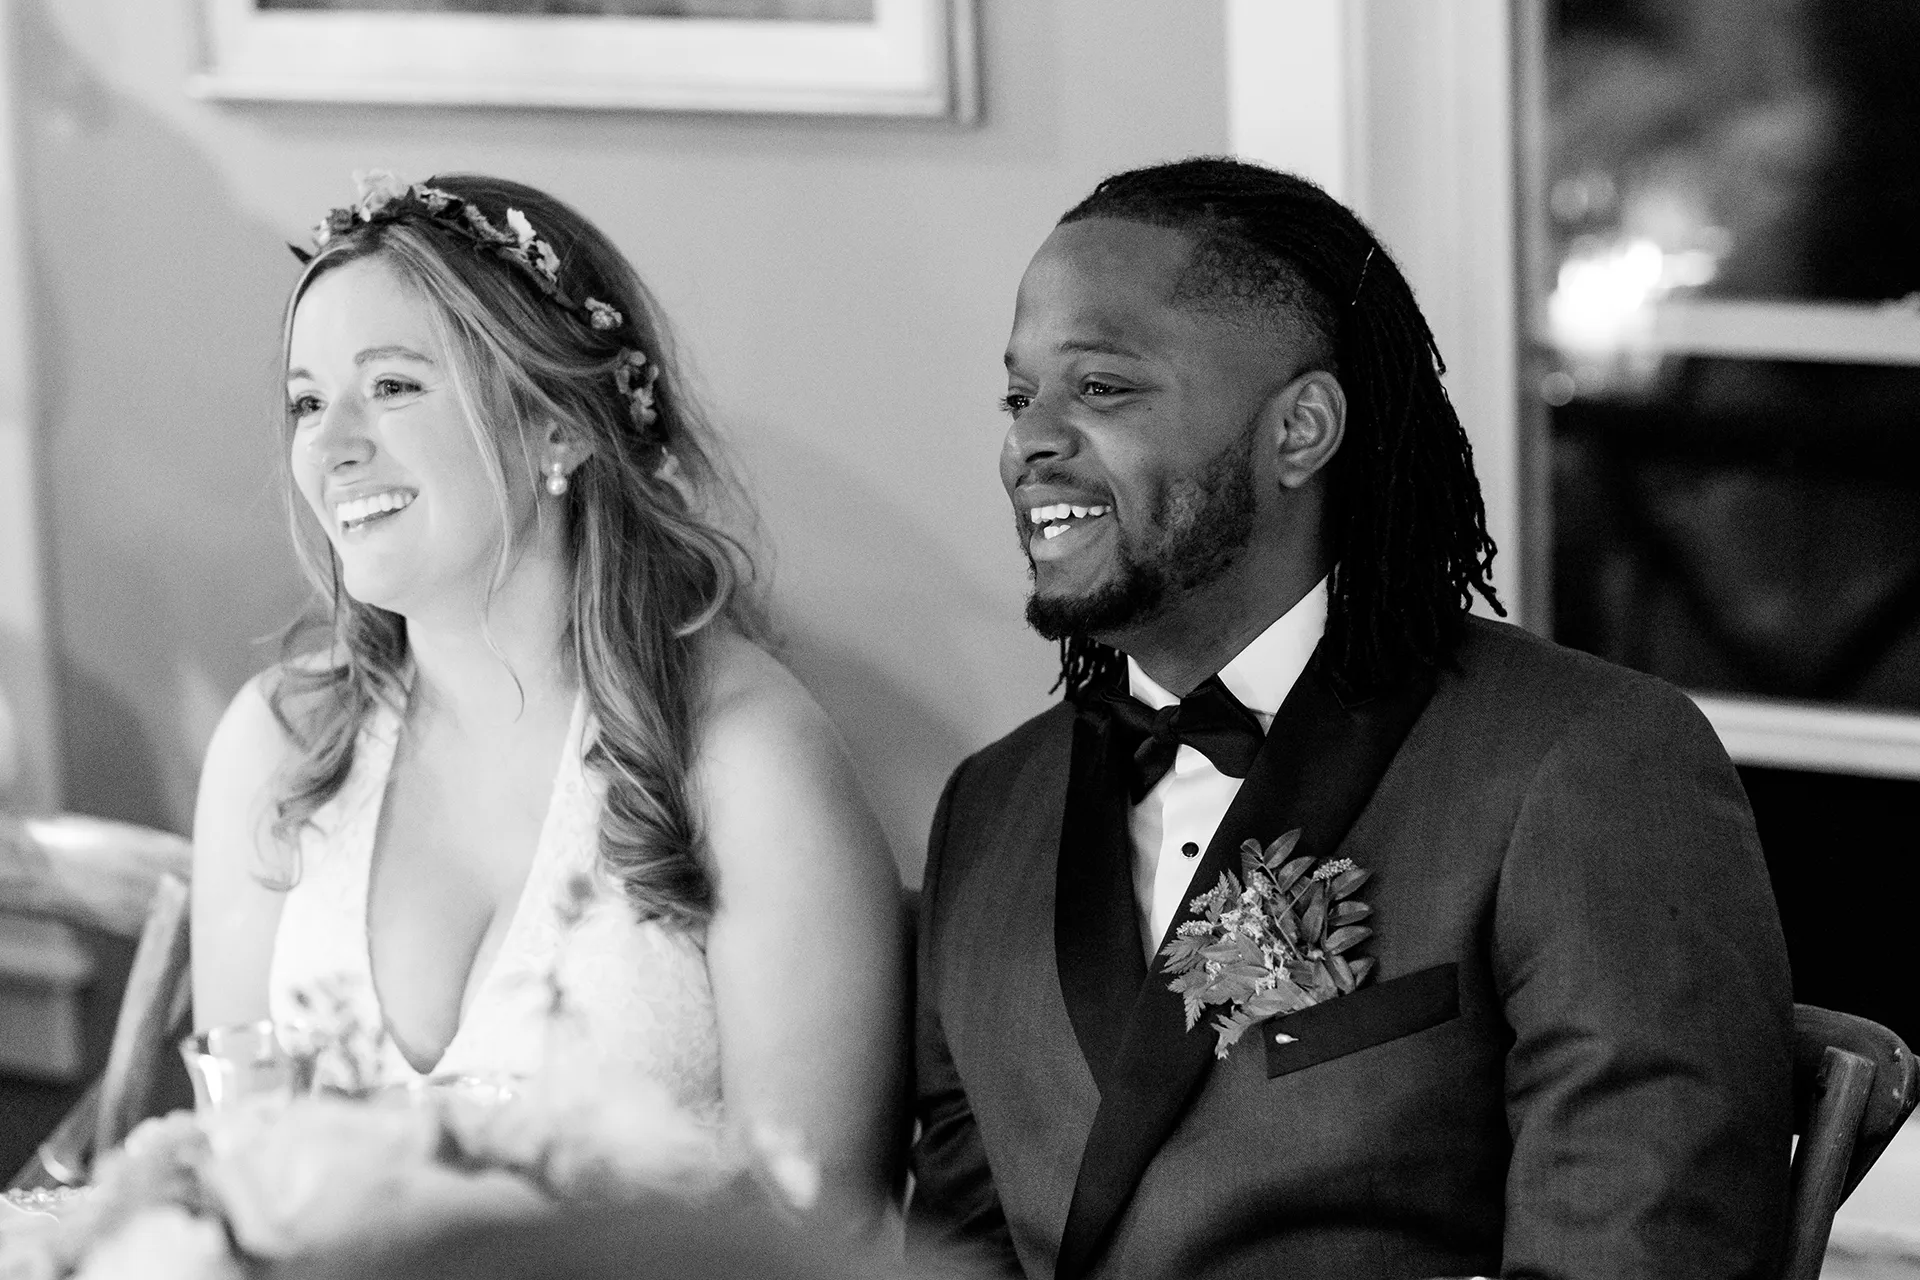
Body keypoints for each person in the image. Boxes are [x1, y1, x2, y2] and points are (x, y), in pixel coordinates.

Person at [908, 157, 1794, 1279]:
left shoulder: (1585, 765)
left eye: (1103, 388)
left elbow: (1642, 1257)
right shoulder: (988, 809)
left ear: (1301, 429)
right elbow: (946, 1253)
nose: (1031, 440)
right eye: (1018, 395)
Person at [190, 172, 906, 1224]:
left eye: (392, 387)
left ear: (558, 428)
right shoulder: (281, 745)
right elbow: (236, 1184)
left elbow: (816, 1231)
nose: (330, 445)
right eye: (306, 401)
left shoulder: (742, 759)